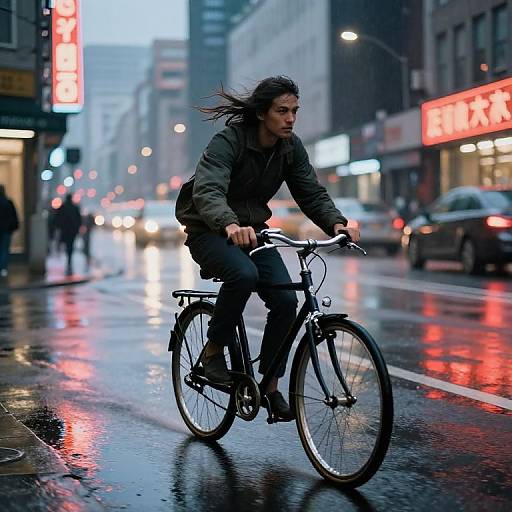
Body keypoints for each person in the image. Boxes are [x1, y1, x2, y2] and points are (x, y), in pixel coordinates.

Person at [176, 76, 359, 421]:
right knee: (243, 275)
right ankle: (213, 351)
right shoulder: (227, 142)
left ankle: (270, 386)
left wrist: (337, 223)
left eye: (294, 111)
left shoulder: (290, 148)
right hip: (209, 230)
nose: (290, 118)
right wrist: (229, 224)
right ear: (262, 113)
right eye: (282, 111)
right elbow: (209, 190)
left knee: (287, 300)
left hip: (254, 232)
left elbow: (311, 193)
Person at [55, 194, 82, 275]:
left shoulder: (63, 207)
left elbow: (57, 218)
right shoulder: (74, 207)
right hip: (72, 231)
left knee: (67, 245)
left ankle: (68, 260)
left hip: (65, 230)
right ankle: (69, 260)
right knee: (70, 246)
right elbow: (79, 220)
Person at [0, 184, 19, 277]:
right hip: (6, 230)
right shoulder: (8, 202)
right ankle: (3, 268)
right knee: (4, 249)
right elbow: (14, 216)